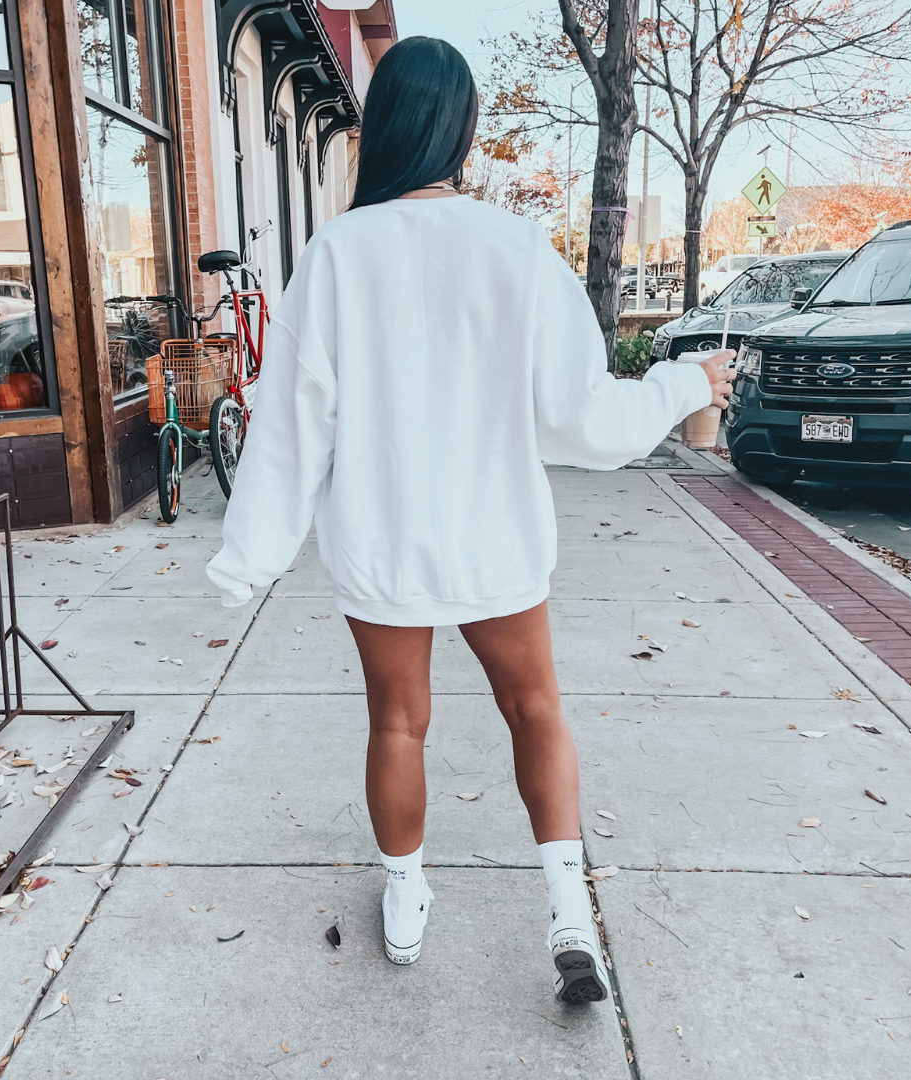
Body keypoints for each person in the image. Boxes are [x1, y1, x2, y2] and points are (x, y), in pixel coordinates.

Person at [206, 37, 735, 1004]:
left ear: (382, 130)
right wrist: (681, 384)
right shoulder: (516, 247)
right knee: (535, 709)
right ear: (463, 130)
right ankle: (568, 908)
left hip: (381, 538)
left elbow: (290, 426)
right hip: (494, 537)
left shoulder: (332, 255)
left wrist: (249, 560)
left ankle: (406, 897)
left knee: (398, 723)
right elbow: (577, 419)